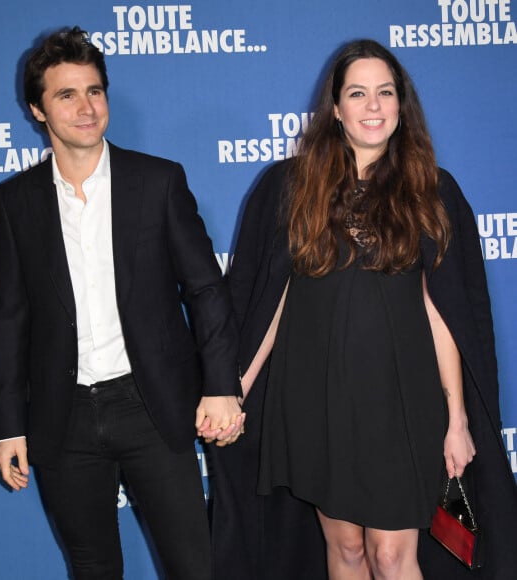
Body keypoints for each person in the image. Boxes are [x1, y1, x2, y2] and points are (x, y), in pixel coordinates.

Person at [212, 39, 517, 579]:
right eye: (358, 93)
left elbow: (444, 313)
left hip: (401, 404)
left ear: (402, 105)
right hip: (316, 400)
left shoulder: (432, 192)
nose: (373, 106)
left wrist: (457, 419)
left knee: (392, 557)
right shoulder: (290, 186)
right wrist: (234, 390)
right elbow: (270, 301)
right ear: (335, 108)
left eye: (385, 92)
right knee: (347, 551)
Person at [0, 26, 244, 580]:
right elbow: (7, 317)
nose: (86, 107)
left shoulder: (157, 182)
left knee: (195, 565)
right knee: (93, 568)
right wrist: (8, 425)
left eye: (94, 91)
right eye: (66, 95)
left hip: (152, 408)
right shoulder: (16, 202)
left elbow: (206, 290)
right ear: (37, 110)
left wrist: (222, 385)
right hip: (64, 418)